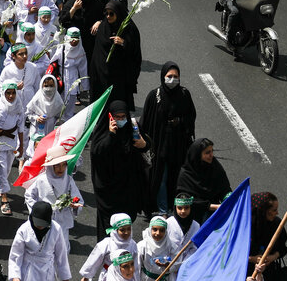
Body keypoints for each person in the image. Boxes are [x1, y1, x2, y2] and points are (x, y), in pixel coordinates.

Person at [138, 62, 197, 214]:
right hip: (159, 147)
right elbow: (145, 121)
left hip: (179, 147)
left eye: (175, 77)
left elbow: (191, 117)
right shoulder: (154, 96)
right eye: (169, 76)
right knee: (160, 179)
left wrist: (180, 121)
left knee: (176, 178)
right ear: (163, 76)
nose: (172, 79)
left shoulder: (184, 95)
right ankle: (163, 209)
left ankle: (176, 207)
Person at [89, 100, 150, 239]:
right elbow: (97, 153)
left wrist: (144, 144)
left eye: (123, 117)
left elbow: (146, 143)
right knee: (109, 229)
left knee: (125, 225)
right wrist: (111, 135)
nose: (121, 120)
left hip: (128, 187)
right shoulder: (103, 131)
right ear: (110, 117)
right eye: (117, 117)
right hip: (108, 190)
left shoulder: (132, 128)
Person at [88, 0, 142, 111]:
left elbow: (135, 52)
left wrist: (123, 43)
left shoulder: (129, 28)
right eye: (106, 13)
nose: (108, 16)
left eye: (111, 14)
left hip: (119, 79)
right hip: (101, 77)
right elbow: (97, 54)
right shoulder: (103, 27)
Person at [24, 156, 83, 251]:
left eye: (64, 165)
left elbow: (77, 198)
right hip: (44, 220)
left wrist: (74, 205)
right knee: (43, 248)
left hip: (62, 220)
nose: (61, 169)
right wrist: (38, 211)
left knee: (62, 248)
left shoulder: (68, 180)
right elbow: (29, 195)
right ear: (51, 166)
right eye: (57, 165)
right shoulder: (42, 180)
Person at [175, 138, 231, 224]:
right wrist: (211, 206)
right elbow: (186, 200)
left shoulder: (215, 167)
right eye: (207, 153)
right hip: (194, 217)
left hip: (216, 212)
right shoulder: (186, 175)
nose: (211, 155)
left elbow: (225, 188)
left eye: (212, 151)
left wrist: (228, 198)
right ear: (197, 155)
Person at [0, 78, 24, 215]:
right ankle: (5, 200)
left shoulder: (18, 106)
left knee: (7, 168)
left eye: (13, 93)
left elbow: (21, 127)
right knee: (3, 169)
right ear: (3, 93)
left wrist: (21, 146)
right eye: (8, 93)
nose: (10, 96)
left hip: (12, 141)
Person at [59, 0, 102, 68]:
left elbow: (104, 16)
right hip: (74, 41)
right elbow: (62, 21)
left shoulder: (95, 3)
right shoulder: (73, 1)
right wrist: (73, 9)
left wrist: (99, 22)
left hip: (89, 42)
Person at [23, 73, 65, 163]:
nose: (48, 89)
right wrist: (36, 118)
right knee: (34, 153)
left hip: (51, 129)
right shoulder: (37, 99)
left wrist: (57, 122)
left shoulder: (58, 100)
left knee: (49, 153)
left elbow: (61, 117)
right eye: (46, 86)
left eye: (51, 86)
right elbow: (28, 113)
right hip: (38, 128)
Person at [166, 194, 201, 279]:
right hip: (168, 267)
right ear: (175, 208)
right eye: (180, 208)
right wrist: (173, 266)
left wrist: (183, 265)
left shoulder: (196, 225)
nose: (183, 211)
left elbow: (194, 248)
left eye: (186, 208)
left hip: (187, 267)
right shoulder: (168, 223)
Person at [52, 28, 89, 105]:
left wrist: (85, 86)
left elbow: (83, 69)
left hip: (73, 79)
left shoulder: (80, 50)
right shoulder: (62, 48)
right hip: (62, 78)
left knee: (71, 102)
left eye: (76, 38)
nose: (74, 41)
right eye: (72, 38)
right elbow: (52, 62)